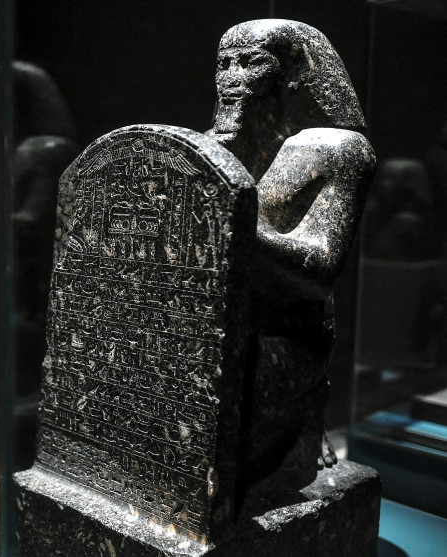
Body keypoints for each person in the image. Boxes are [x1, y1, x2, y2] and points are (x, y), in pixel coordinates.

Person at [205, 19, 375, 491]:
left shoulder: (338, 150)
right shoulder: (212, 147)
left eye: (251, 63)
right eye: (224, 64)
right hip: (213, 316)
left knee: (228, 462)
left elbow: (319, 272)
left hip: (285, 330)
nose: (232, 78)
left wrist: (238, 230)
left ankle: (305, 414)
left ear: (295, 72)